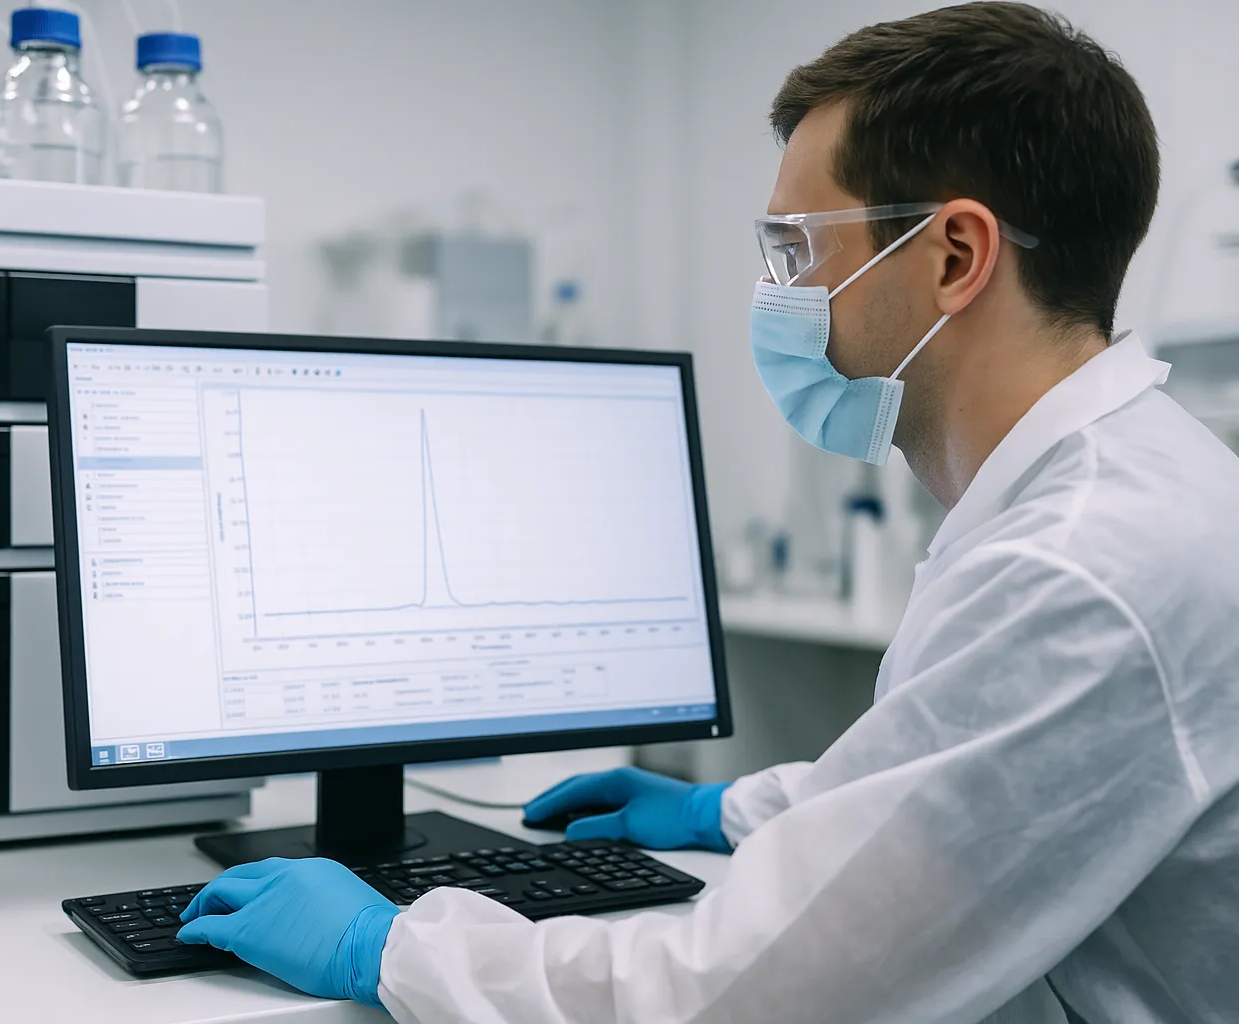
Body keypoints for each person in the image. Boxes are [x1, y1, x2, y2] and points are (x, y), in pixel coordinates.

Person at [174, 4, 1239, 1021]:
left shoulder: (1080, 567)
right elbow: (972, 789)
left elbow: (733, 997)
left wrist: (393, 946)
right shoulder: (1115, 490)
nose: (776, 291)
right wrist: (720, 810)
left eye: (795, 249)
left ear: (955, 255)